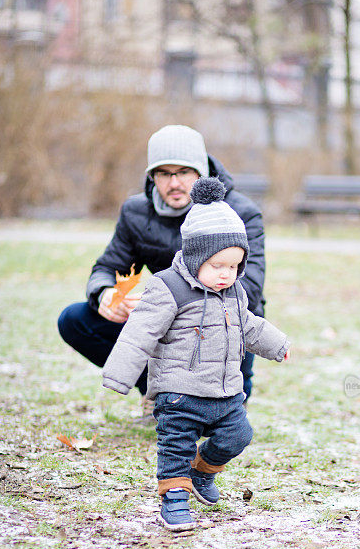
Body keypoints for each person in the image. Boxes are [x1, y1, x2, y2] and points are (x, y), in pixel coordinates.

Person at [102, 177, 290, 531]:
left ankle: (201, 471)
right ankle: (174, 500)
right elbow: (141, 332)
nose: (226, 274)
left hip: (224, 391)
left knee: (239, 436)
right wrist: (120, 375)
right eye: (218, 265)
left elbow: (249, 325)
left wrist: (277, 344)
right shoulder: (168, 287)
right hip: (179, 392)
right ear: (195, 255)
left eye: (234, 266)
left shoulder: (234, 292)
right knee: (175, 447)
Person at [57, 124, 266, 415]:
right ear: (152, 177)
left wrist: (169, 301)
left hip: (223, 325)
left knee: (221, 420)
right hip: (164, 324)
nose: (174, 183)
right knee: (74, 319)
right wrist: (105, 294)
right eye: (164, 173)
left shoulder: (240, 212)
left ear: (202, 171)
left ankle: (207, 403)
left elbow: (251, 290)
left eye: (183, 172)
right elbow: (107, 267)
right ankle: (158, 392)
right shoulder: (136, 212)